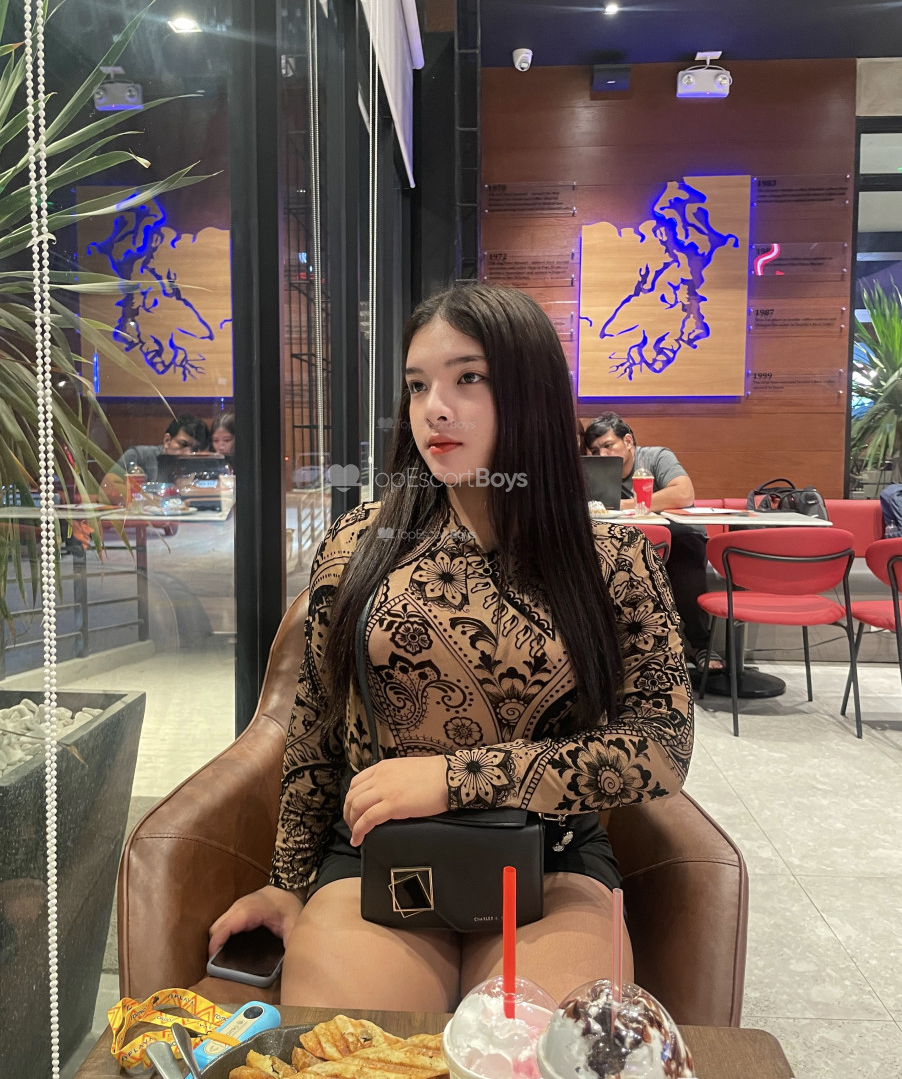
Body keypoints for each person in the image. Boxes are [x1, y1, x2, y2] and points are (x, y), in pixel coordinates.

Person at [210, 286, 692, 1011]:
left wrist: (456, 778)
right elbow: (315, 724)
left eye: (468, 378)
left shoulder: (613, 559)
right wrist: (286, 881)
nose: (435, 408)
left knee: (539, 1044)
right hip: (378, 854)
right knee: (363, 1047)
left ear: (529, 392)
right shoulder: (359, 542)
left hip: (551, 859)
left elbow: (661, 748)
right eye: (417, 385)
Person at [581, 412, 721, 675]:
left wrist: (624, 505)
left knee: (686, 561)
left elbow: (684, 493)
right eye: (595, 450)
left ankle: (700, 644)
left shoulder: (656, 457)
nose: (602, 455)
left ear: (628, 441)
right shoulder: (595, 471)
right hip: (628, 541)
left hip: (677, 536)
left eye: (608, 445)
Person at [100, 412, 209, 503]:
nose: (188, 453)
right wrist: (152, 500)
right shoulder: (138, 456)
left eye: (195, 449)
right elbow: (106, 491)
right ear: (167, 440)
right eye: (183, 444)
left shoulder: (197, 465)